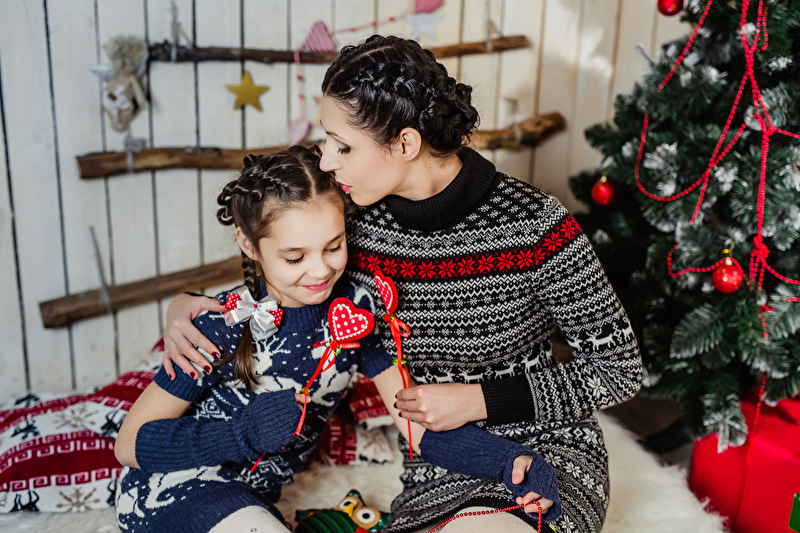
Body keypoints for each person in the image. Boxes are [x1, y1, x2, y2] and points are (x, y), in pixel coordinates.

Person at [163, 36, 642, 533]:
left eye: (343, 145)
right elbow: (285, 279)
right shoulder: (355, 227)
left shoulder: (534, 223)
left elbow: (619, 370)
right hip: (435, 467)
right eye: (327, 141)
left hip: (542, 454)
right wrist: (185, 305)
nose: (326, 161)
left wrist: (478, 399)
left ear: (406, 144)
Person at [114, 145, 561, 533]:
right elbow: (129, 444)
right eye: (294, 257)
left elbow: (415, 425)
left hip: (253, 500)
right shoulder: (222, 323)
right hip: (172, 490)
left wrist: (508, 462)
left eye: (333, 246)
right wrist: (240, 434)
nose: (320, 270)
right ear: (249, 244)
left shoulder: (355, 313)